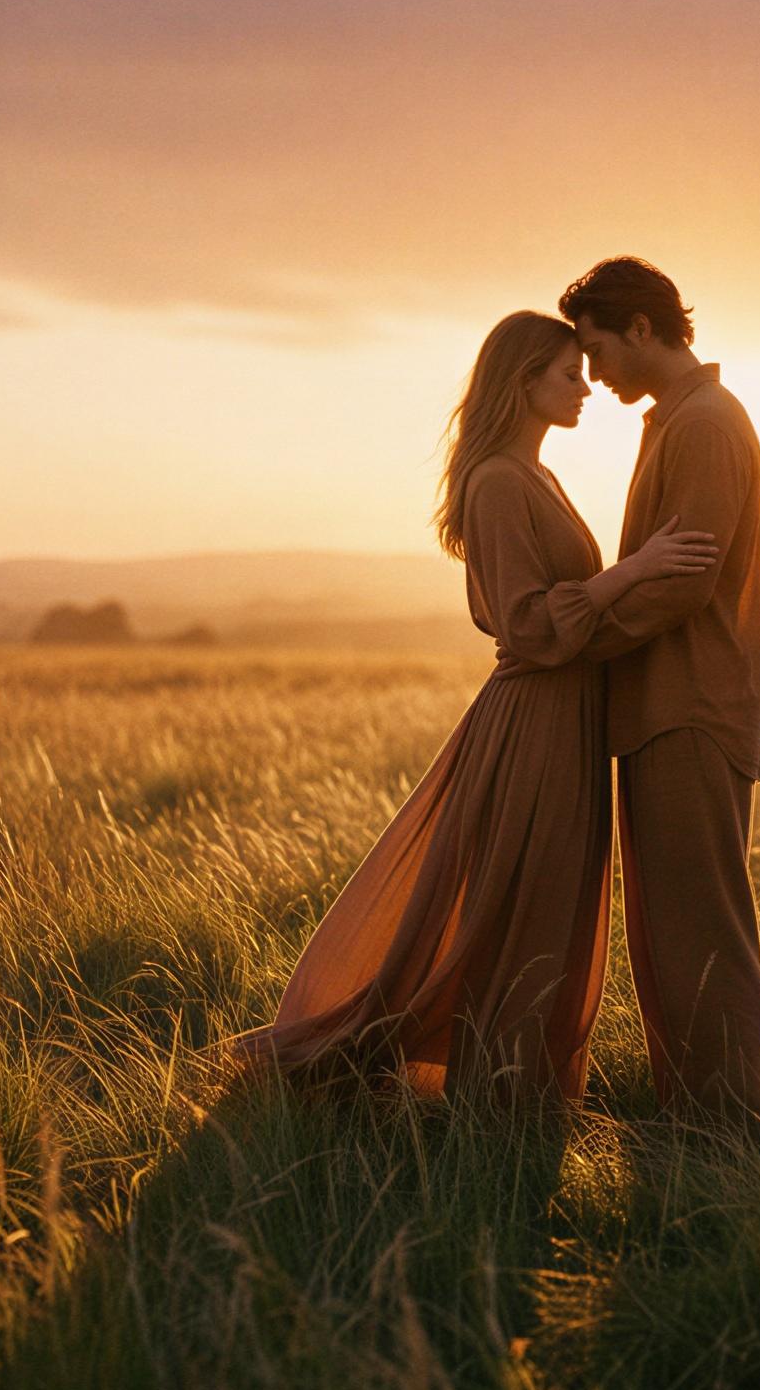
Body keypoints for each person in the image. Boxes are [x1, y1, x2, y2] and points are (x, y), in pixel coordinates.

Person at [217, 310, 717, 1109]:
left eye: (585, 371)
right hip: (536, 721)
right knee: (522, 907)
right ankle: (495, 1096)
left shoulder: (540, 477)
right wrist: (637, 571)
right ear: (521, 385)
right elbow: (525, 622)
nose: (585, 387)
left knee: (549, 905)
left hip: (570, 718)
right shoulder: (496, 483)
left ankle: (520, 1094)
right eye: (566, 374)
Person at [557, 257, 760, 1136]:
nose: (593, 372)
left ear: (641, 330)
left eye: (596, 348)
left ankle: (726, 1135)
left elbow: (684, 581)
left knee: (701, 932)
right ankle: (694, 1120)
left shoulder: (707, 425)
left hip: (690, 707)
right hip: (661, 706)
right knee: (669, 935)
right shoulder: (678, 420)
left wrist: (573, 633)